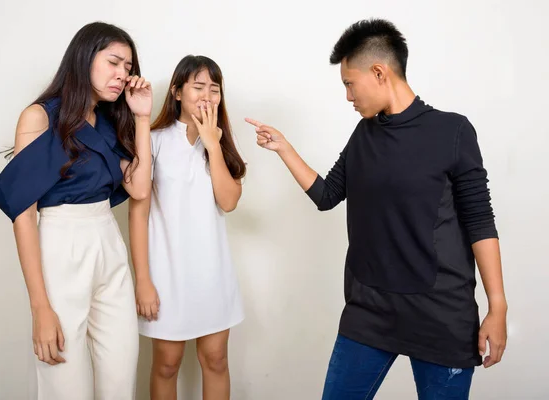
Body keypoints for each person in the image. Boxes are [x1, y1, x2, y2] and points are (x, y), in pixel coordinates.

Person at [245, 18, 507, 400]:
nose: (348, 96)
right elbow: (327, 195)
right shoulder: (365, 134)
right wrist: (284, 148)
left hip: (440, 313)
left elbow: (480, 222)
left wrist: (496, 305)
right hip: (369, 310)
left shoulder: (452, 132)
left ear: (380, 72)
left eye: (350, 84)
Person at [0, 21, 153, 400]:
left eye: (128, 68)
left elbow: (140, 188)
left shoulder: (110, 121)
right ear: (84, 58)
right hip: (61, 245)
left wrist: (142, 117)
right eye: (114, 62)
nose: (122, 75)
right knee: (65, 384)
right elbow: (24, 216)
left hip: (108, 242)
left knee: (120, 376)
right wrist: (40, 307)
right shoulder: (40, 117)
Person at [131, 55, 246, 400]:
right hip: (165, 274)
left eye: (214, 89)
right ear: (178, 92)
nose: (208, 95)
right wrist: (143, 280)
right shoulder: (154, 139)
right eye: (198, 87)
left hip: (213, 273)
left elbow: (228, 202)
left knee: (216, 359)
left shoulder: (219, 143)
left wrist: (212, 143)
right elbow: (138, 213)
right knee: (167, 363)